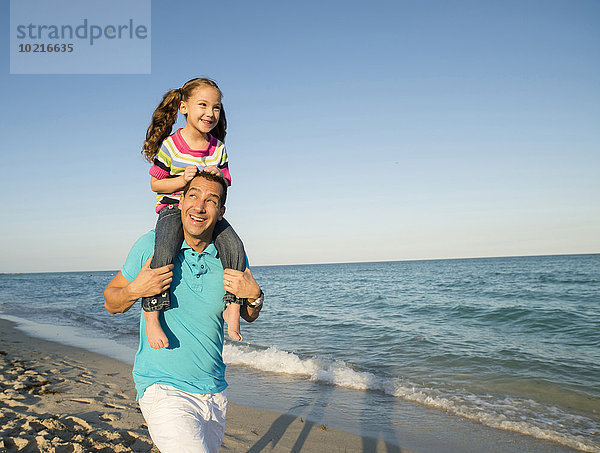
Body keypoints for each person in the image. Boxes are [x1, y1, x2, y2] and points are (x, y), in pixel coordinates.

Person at [104, 172, 264, 452]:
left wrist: (255, 297)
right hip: (163, 386)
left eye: (210, 200)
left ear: (221, 211)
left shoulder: (229, 255)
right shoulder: (151, 245)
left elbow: (249, 314)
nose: (199, 206)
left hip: (214, 390)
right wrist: (135, 290)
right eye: (193, 196)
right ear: (180, 201)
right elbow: (111, 301)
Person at [140, 77, 246, 348]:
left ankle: (232, 306)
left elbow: (226, 181)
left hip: (206, 211)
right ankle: (152, 313)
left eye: (216, 108)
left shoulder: (218, 147)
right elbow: (155, 182)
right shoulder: (171, 146)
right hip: (174, 209)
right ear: (183, 108)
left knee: (235, 245)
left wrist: (217, 176)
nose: (210, 113)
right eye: (203, 105)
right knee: (164, 250)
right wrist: (181, 181)